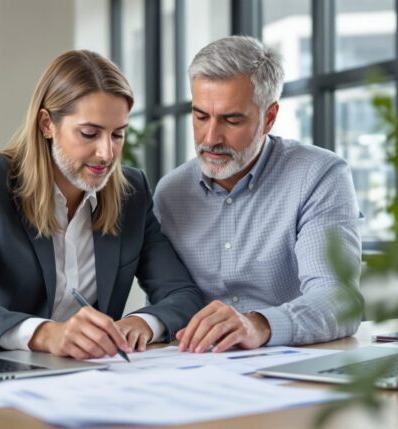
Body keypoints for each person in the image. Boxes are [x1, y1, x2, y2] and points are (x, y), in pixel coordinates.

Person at [0, 50, 204, 360]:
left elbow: (182, 294)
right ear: (47, 124)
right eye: (89, 133)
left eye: (118, 134)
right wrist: (46, 334)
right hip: (6, 366)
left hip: (92, 376)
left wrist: (142, 323)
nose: (107, 153)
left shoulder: (131, 193)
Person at [153, 36, 364, 354]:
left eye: (231, 119)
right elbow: (168, 299)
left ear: (269, 117)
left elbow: (339, 298)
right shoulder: (170, 193)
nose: (211, 137)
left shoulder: (319, 176)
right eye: (200, 117)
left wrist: (261, 324)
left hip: (289, 365)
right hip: (192, 367)